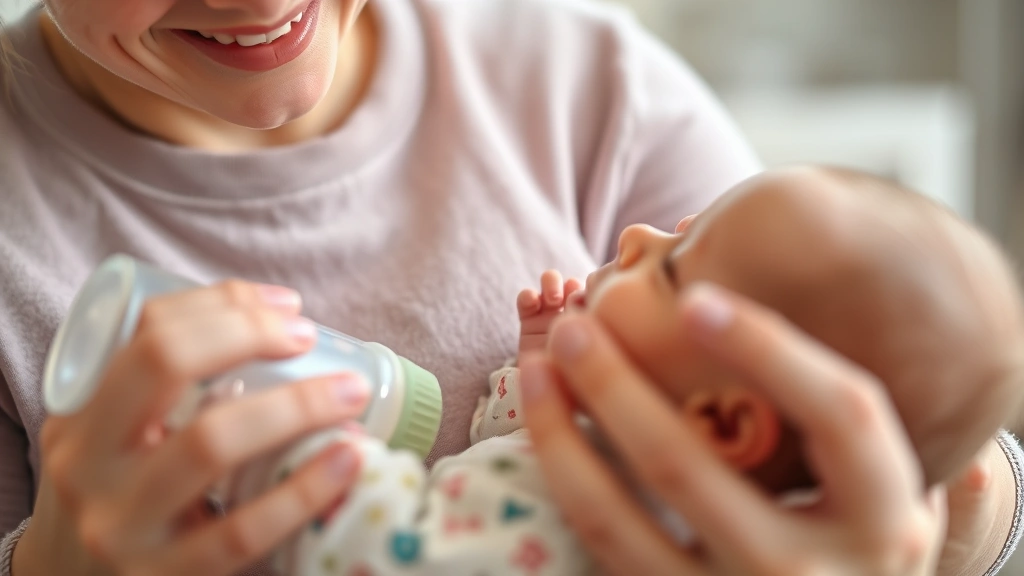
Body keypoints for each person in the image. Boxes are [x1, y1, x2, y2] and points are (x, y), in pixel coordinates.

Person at [0, 0, 1017, 573]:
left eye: (668, 260)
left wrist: (963, 510)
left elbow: (871, 371)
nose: (260, 5)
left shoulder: (592, 88)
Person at [248, 166, 1024, 576]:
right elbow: (503, 453)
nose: (639, 235)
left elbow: (377, 553)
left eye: (675, 267)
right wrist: (542, 370)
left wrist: (295, 448)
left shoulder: (580, 532)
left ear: (725, 422)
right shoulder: (629, 459)